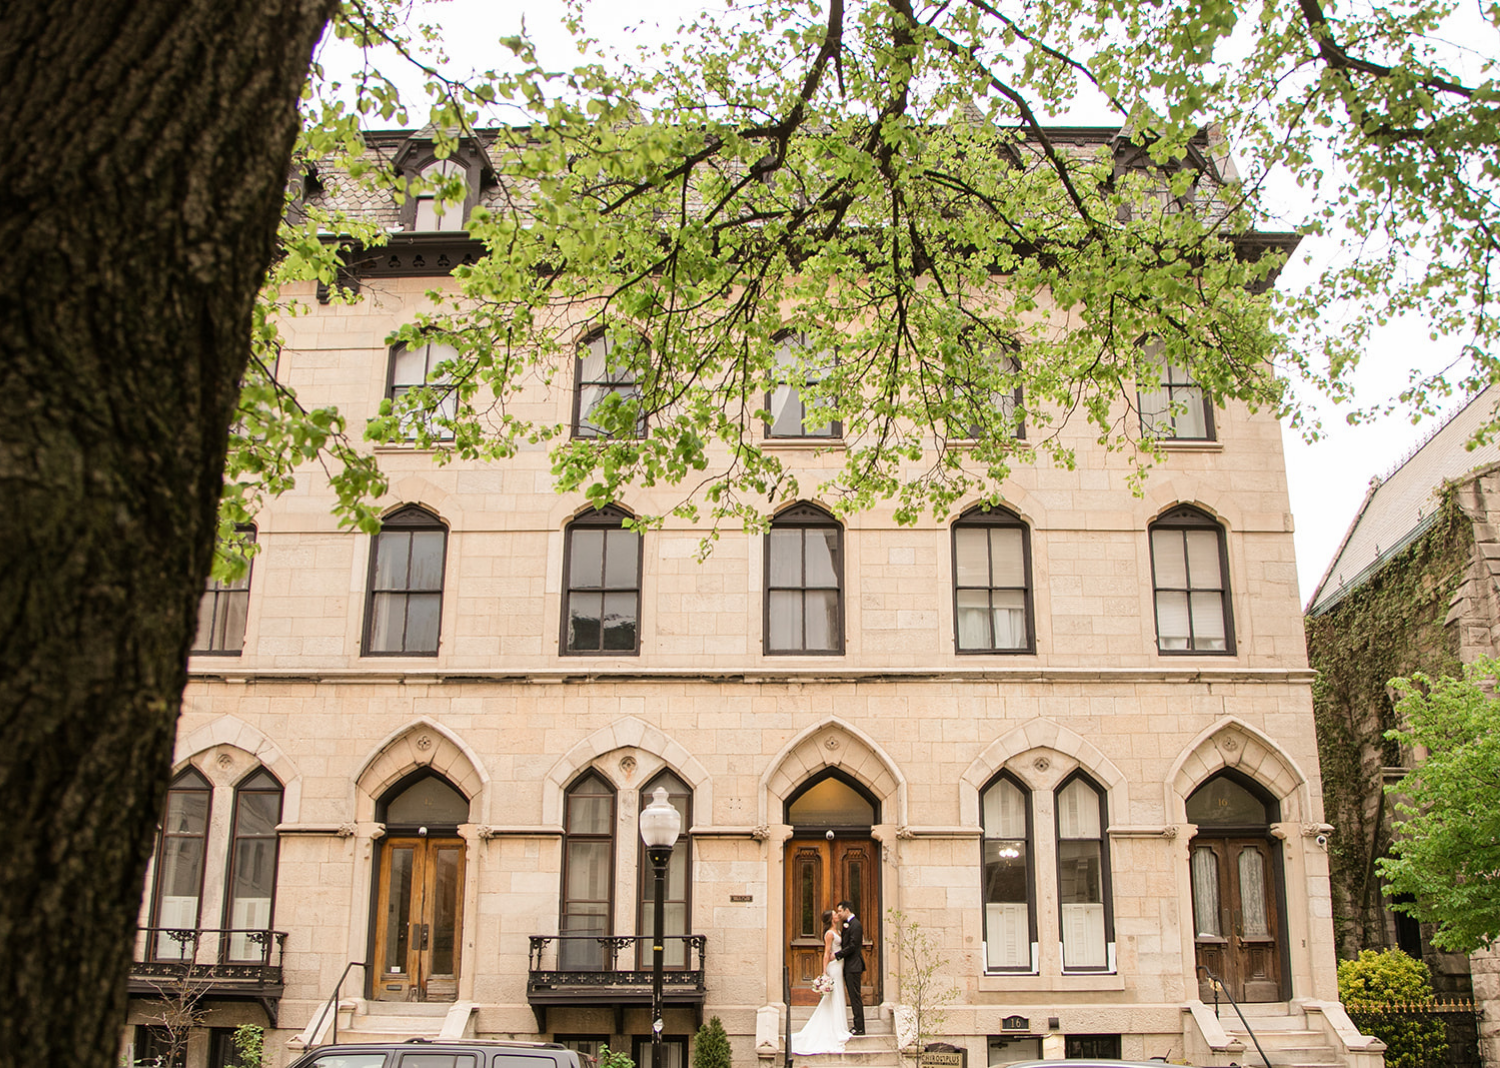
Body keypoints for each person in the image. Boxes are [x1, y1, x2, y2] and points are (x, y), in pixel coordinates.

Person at [790, 909, 852, 1054]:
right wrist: (824, 972)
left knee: (837, 996)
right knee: (834, 995)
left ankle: (840, 1025)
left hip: (839, 964)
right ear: (831, 919)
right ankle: (836, 1028)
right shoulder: (829, 934)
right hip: (834, 966)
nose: (837, 914)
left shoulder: (837, 931)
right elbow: (826, 953)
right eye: (835, 914)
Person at [833, 900, 866, 1034]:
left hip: (854, 966)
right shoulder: (848, 925)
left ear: (847, 910)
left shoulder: (856, 925)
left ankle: (859, 1027)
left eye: (840, 911)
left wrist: (837, 955)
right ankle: (857, 1025)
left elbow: (853, 946)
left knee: (855, 996)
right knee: (853, 996)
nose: (839, 914)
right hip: (849, 966)